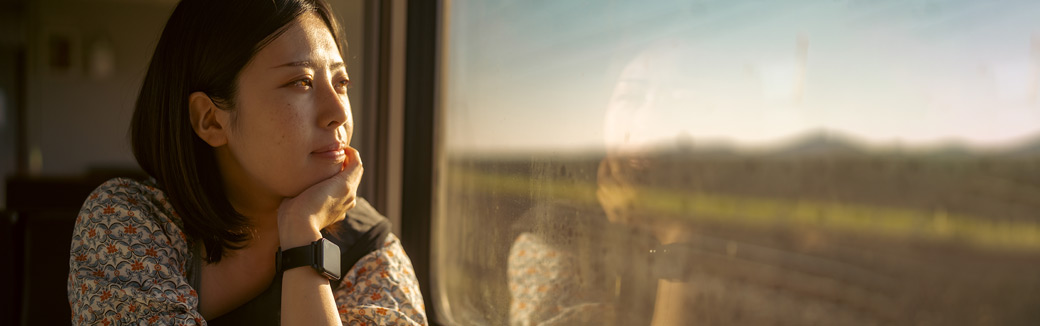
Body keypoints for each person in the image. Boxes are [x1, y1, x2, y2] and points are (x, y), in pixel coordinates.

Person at [66, 0, 427, 325]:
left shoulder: (371, 250)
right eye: (301, 82)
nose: (338, 113)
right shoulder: (127, 223)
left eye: (341, 82)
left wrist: (302, 230)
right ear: (210, 119)